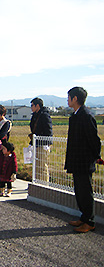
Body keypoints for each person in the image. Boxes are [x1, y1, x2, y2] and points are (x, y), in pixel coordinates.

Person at [65, 87, 102, 233]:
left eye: (69, 97)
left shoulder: (86, 116)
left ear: (75, 99)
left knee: (85, 192)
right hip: (76, 160)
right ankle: (84, 217)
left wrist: (95, 157)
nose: (67, 100)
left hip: (84, 161)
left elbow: (94, 140)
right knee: (79, 191)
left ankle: (89, 221)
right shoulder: (75, 115)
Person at [29, 97, 53, 182]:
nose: (31, 107)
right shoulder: (35, 115)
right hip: (36, 143)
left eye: (32, 105)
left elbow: (48, 130)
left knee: (42, 166)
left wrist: (47, 143)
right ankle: (36, 182)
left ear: (37, 106)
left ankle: (44, 184)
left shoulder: (44, 115)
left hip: (43, 145)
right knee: (36, 166)